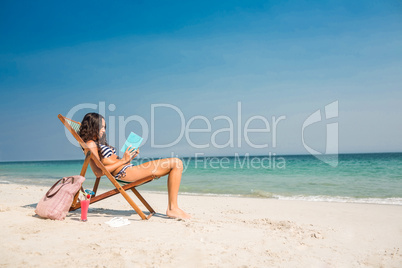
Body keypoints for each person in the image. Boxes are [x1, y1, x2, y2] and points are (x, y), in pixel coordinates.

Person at [78, 112, 191, 219]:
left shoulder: (97, 143)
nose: (103, 130)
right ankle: (172, 208)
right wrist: (123, 160)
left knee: (176, 163)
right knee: (176, 163)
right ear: (93, 126)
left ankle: (173, 207)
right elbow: (98, 172)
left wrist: (129, 158)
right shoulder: (90, 144)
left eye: (104, 127)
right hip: (125, 174)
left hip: (128, 169)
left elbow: (112, 163)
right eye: (101, 126)